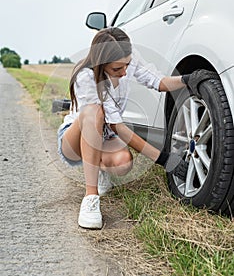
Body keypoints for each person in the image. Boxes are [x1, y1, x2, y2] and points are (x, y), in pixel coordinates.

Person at [57, 27, 216, 229]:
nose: (124, 73)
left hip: (104, 137)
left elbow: (158, 81)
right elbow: (119, 128)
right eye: (117, 70)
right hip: (74, 141)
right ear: (101, 64)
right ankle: (90, 197)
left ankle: (99, 170)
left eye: (127, 65)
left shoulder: (126, 57)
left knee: (123, 163)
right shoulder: (86, 77)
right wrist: (164, 159)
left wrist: (187, 79)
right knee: (93, 113)